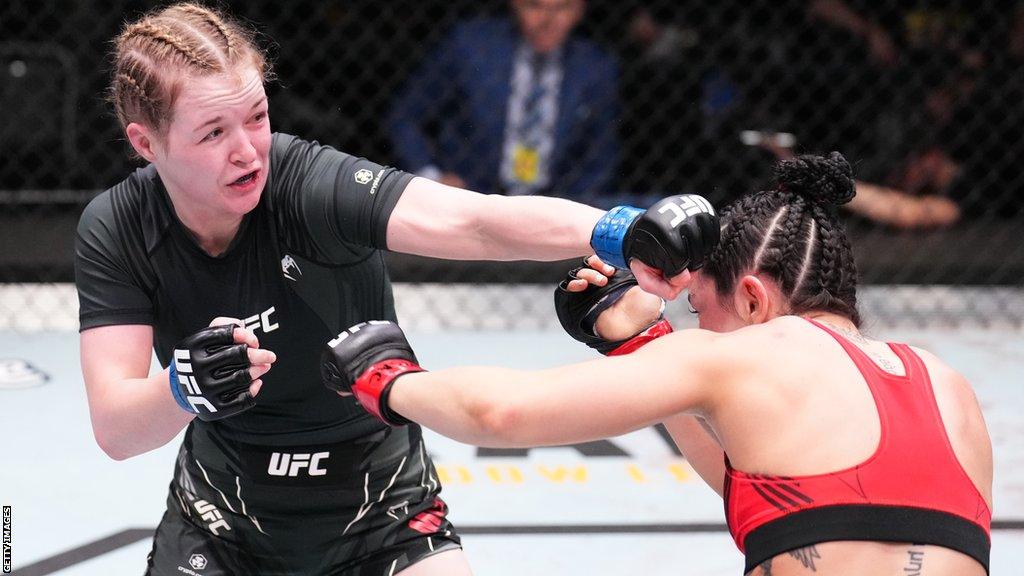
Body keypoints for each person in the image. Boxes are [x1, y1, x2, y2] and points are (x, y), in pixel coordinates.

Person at [74, 4, 717, 575]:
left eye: (257, 117)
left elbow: (476, 221)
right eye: (213, 132)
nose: (248, 152)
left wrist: (618, 231)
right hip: (222, 524)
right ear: (145, 144)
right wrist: (183, 387)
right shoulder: (117, 228)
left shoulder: (307, 183)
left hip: (381, 510)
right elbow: (116, 429)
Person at [324, 152, 993, 575]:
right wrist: (641, 346)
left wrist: (390, 380)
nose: (695, 333)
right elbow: (771, 501)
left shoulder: (751, 356)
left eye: (701, 314)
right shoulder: (948, 387)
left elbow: (500, 413)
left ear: (755, 299)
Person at [386, 0, 619, 198]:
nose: (548, 20)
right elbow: (405, 117)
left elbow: (601, 155)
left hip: (551, 204)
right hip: (469, 197)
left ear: (579, 10)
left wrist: (574, 206)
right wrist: (432, 178)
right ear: (516, 4)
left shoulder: (594, 68)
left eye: (561, 8)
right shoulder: (472, 47)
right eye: (535, 5)